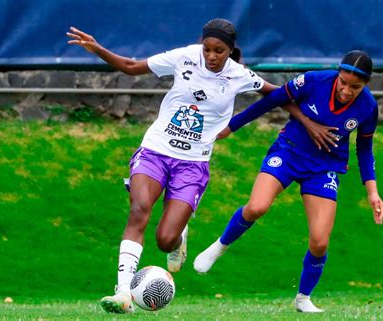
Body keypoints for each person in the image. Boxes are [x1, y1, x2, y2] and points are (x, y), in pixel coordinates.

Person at [67, 18, 335, 314]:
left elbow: (278, 95)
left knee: (165, 239)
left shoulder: (239, 75)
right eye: (206, 49)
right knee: (139, 208)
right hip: (155, 150)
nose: (210, 56)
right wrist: (98, 49)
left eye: (218, 51)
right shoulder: (184, 57)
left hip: (193, 165)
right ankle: (123, 293)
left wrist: (309, 123)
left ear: (230, 51)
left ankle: (180, 236)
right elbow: (132, 67)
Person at [193, 50, 383, 313]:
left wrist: (372, 192)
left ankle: (303, 298)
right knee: (257, 207)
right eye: (343, 82)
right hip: (289, 151)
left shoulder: (368, 107)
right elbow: (272, 99)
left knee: (320, 241)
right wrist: (233, 126)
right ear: (338, 74)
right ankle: (220, 246)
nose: (346, 90)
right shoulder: (314, 81)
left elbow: (365, 149)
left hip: (325, 166)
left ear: (366, 84)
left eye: (356, 87)